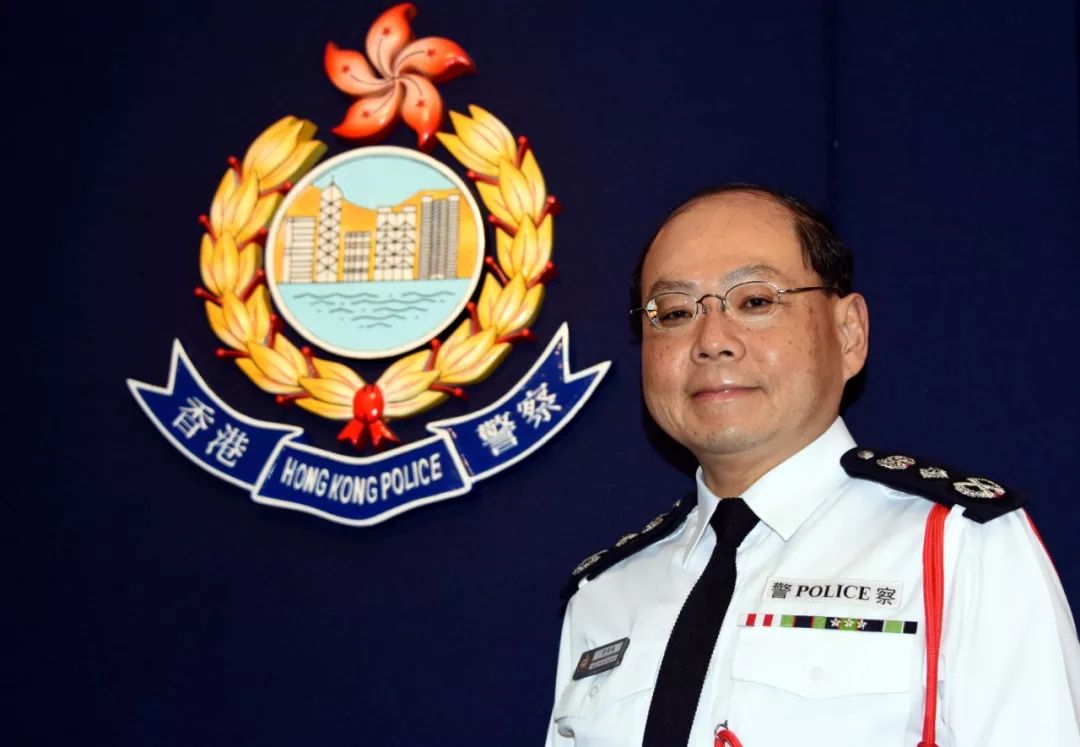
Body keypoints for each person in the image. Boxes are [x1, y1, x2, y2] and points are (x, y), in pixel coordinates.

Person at [544, 185, 1080, 747]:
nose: (711, 341)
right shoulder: (606, 594)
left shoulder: (955, 546)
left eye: (755, 301)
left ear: (849, 333)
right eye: (675, 312)